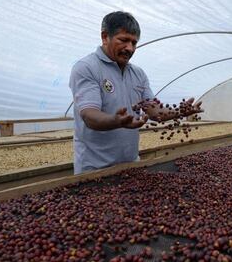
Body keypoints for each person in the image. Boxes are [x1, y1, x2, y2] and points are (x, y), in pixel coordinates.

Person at [69, 11, 202, 174]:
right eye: (123, 40)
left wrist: (179, 112)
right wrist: (116, 120)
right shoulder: (87, 68)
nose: (129, 48)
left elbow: (154, 111)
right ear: (105, 37)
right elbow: (89, 116)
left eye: (134, 42)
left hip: (131, 166)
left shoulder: (138, 74)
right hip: (95, 169)